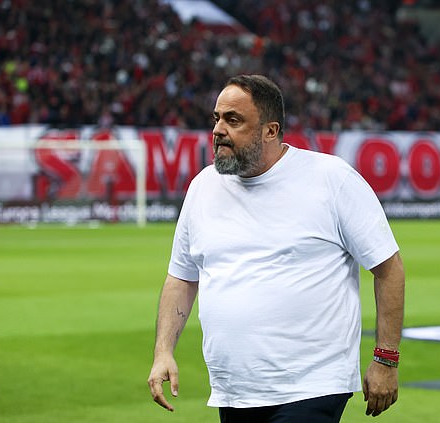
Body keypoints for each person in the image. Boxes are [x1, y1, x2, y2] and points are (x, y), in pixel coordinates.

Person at [148, 74, 405, 422]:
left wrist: (385, 358)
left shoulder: (330, 179)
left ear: (270, 130)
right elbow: (181, 278)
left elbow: (388, 268)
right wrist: (163, 352)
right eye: (217, 118)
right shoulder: (203, 187)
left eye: (233, 120)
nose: (218, 130)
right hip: (234, 390)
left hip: (312, 386)